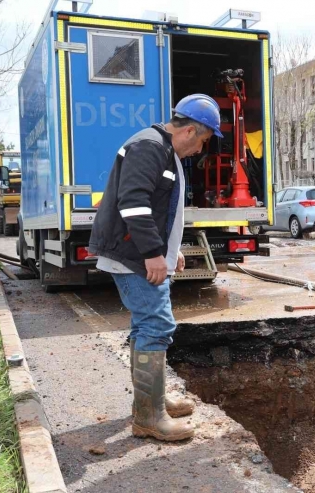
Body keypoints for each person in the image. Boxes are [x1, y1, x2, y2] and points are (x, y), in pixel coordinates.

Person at [89, 94, 223, 442]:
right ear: (191, 131)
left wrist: (170, 250)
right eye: (203, 142)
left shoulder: (161, 148)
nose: (200, 151)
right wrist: (152, 254)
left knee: (144, 324)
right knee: (156, 324)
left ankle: (151, 401)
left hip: (140, 252)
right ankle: (150, 417)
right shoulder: (151, 147)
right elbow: (133, 204)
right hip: (134, 256)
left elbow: (158, 207)